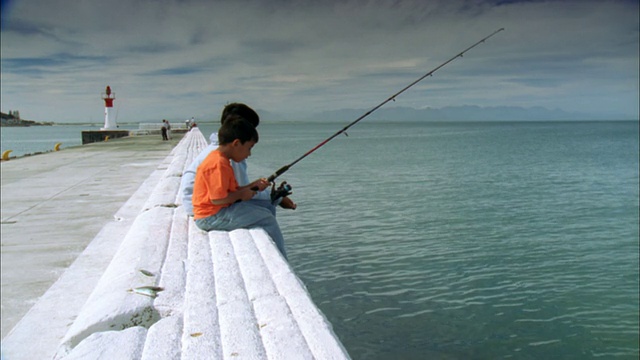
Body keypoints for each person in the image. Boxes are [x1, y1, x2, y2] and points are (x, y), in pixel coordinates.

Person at [193, 117, 289, 259]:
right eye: (249, 148)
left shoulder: (222, 160)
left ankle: (273, 251)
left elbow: (231, 191)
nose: (249, 154)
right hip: (210, 216)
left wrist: (253, 185)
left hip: (218, 210)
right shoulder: (217, 164)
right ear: (236, 143)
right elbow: (217, 200)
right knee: (267, 219)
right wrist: (243, 195)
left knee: (268, 205)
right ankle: (282, 260)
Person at [179, 103, 295, 217]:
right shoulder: (228, 158)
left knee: (264, 205)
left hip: (197, 202)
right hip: (206, 208)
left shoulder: (218, 149)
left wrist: (256, 186)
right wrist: (277, 198)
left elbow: (238, 188)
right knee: (267, 209)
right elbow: (238, 194)